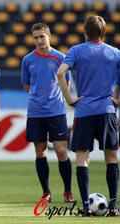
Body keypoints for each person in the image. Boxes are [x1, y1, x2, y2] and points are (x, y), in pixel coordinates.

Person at [57, 15, 120, 216]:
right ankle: (112, 206)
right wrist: (116, 99)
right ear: (104, 33)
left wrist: (69, 99)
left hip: (84, 111)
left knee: (82, 158)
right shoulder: (115, 52)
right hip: (107, 111)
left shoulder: (76, 50)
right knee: (111, 157)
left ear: (85, 31)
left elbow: (60, 73)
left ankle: (85, 207)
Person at [21, 23, 74, 203]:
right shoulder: (27, 60)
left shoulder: (60, 57)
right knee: (40, 151)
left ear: (49, 36)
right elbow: (27, 85)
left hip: (56, 111)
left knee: (61, 151)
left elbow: (67, 84)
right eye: (36, 37)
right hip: (36, 112)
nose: (39, 40)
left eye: (42, 36)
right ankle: (46, 192)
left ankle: (67, 191)